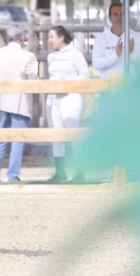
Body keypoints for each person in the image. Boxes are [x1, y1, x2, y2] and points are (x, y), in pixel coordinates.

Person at [0, 27, 39, 183]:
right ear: (22, 39)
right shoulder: (28, 56)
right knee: (17, 139)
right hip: (19, 103)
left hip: (0, 101)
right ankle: (13, 176)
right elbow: (32, 80)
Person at [46, 25, 90, 181]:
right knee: (56, 135)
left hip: (71, 97)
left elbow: (85, 75)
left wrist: (67, 82)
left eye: (52, 37)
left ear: (61, 38)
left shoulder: (76, 55)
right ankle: (60, 172)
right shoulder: (51, 56)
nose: (49, 40)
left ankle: (80, 172)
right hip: (53, 99)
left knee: (73, 134)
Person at [92, 3, 140, 80]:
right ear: (110, 17)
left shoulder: (137, 37)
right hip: (107, 87)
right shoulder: (100, 38)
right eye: (115, 14)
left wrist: (130, 54)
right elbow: (96, 64)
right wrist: (116, 55)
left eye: (122, 14)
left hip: (131, 86)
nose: (119, 18)